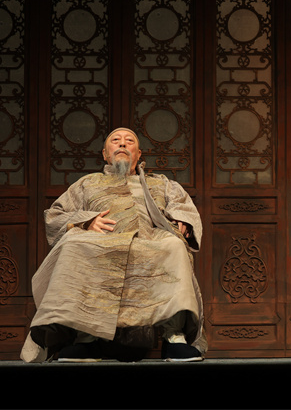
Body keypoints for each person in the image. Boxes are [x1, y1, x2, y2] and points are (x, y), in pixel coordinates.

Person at [20, 127, 207, 363]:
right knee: (75, 244)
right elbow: (55, 214)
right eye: (115, 140)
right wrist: (86, 221)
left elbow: (183, 206)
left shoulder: (162, 183)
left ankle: (174, 338)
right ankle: (86, 339)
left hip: (150, 240)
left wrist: (183, 220)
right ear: (105, 154)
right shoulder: (87, 183)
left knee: (173, 246)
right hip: (101, 241)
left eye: (129, 141)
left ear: (138, 154)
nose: (122, 144)